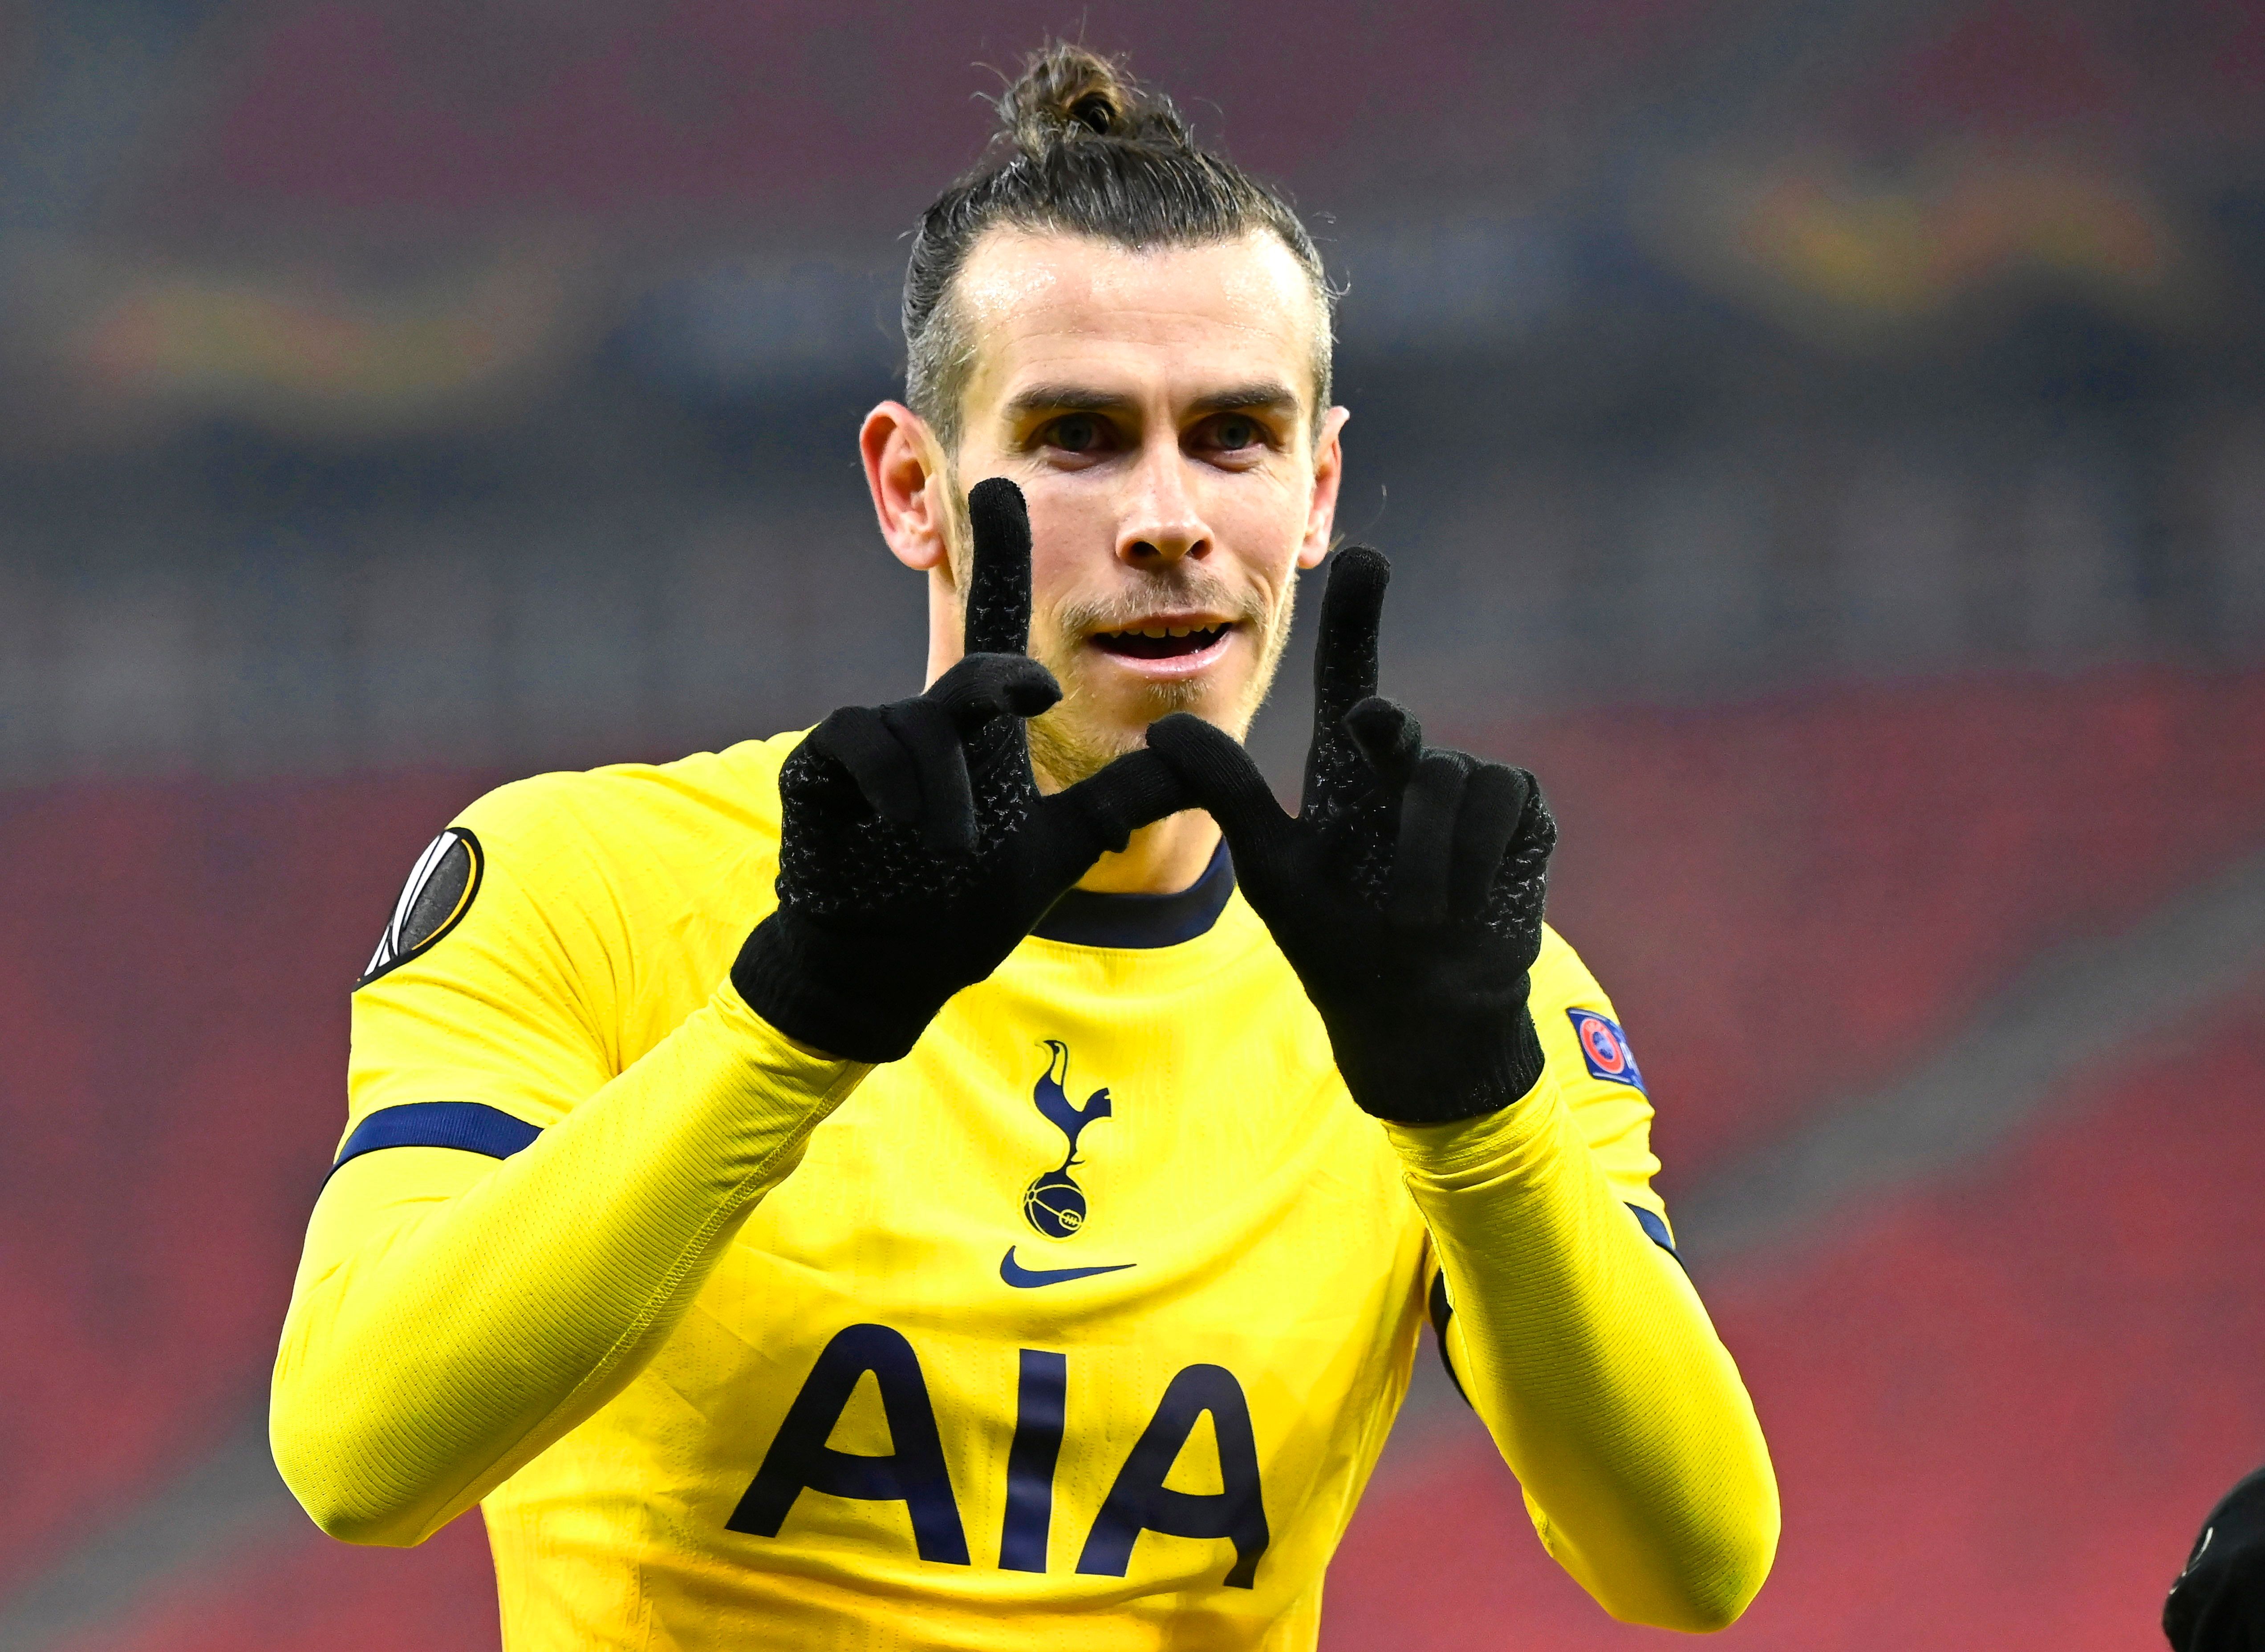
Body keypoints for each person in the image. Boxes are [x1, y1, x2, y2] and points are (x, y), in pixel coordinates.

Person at [270, 43, 1778, 1648]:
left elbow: (1695, 1568)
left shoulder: (1453, 987)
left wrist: (1477, 1121)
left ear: (1320, 488)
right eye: (1077, 438)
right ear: (913, 488)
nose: (1168, 515)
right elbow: (358, 1456)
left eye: (1236, 437)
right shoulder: (588, 883)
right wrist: (795, 1025)